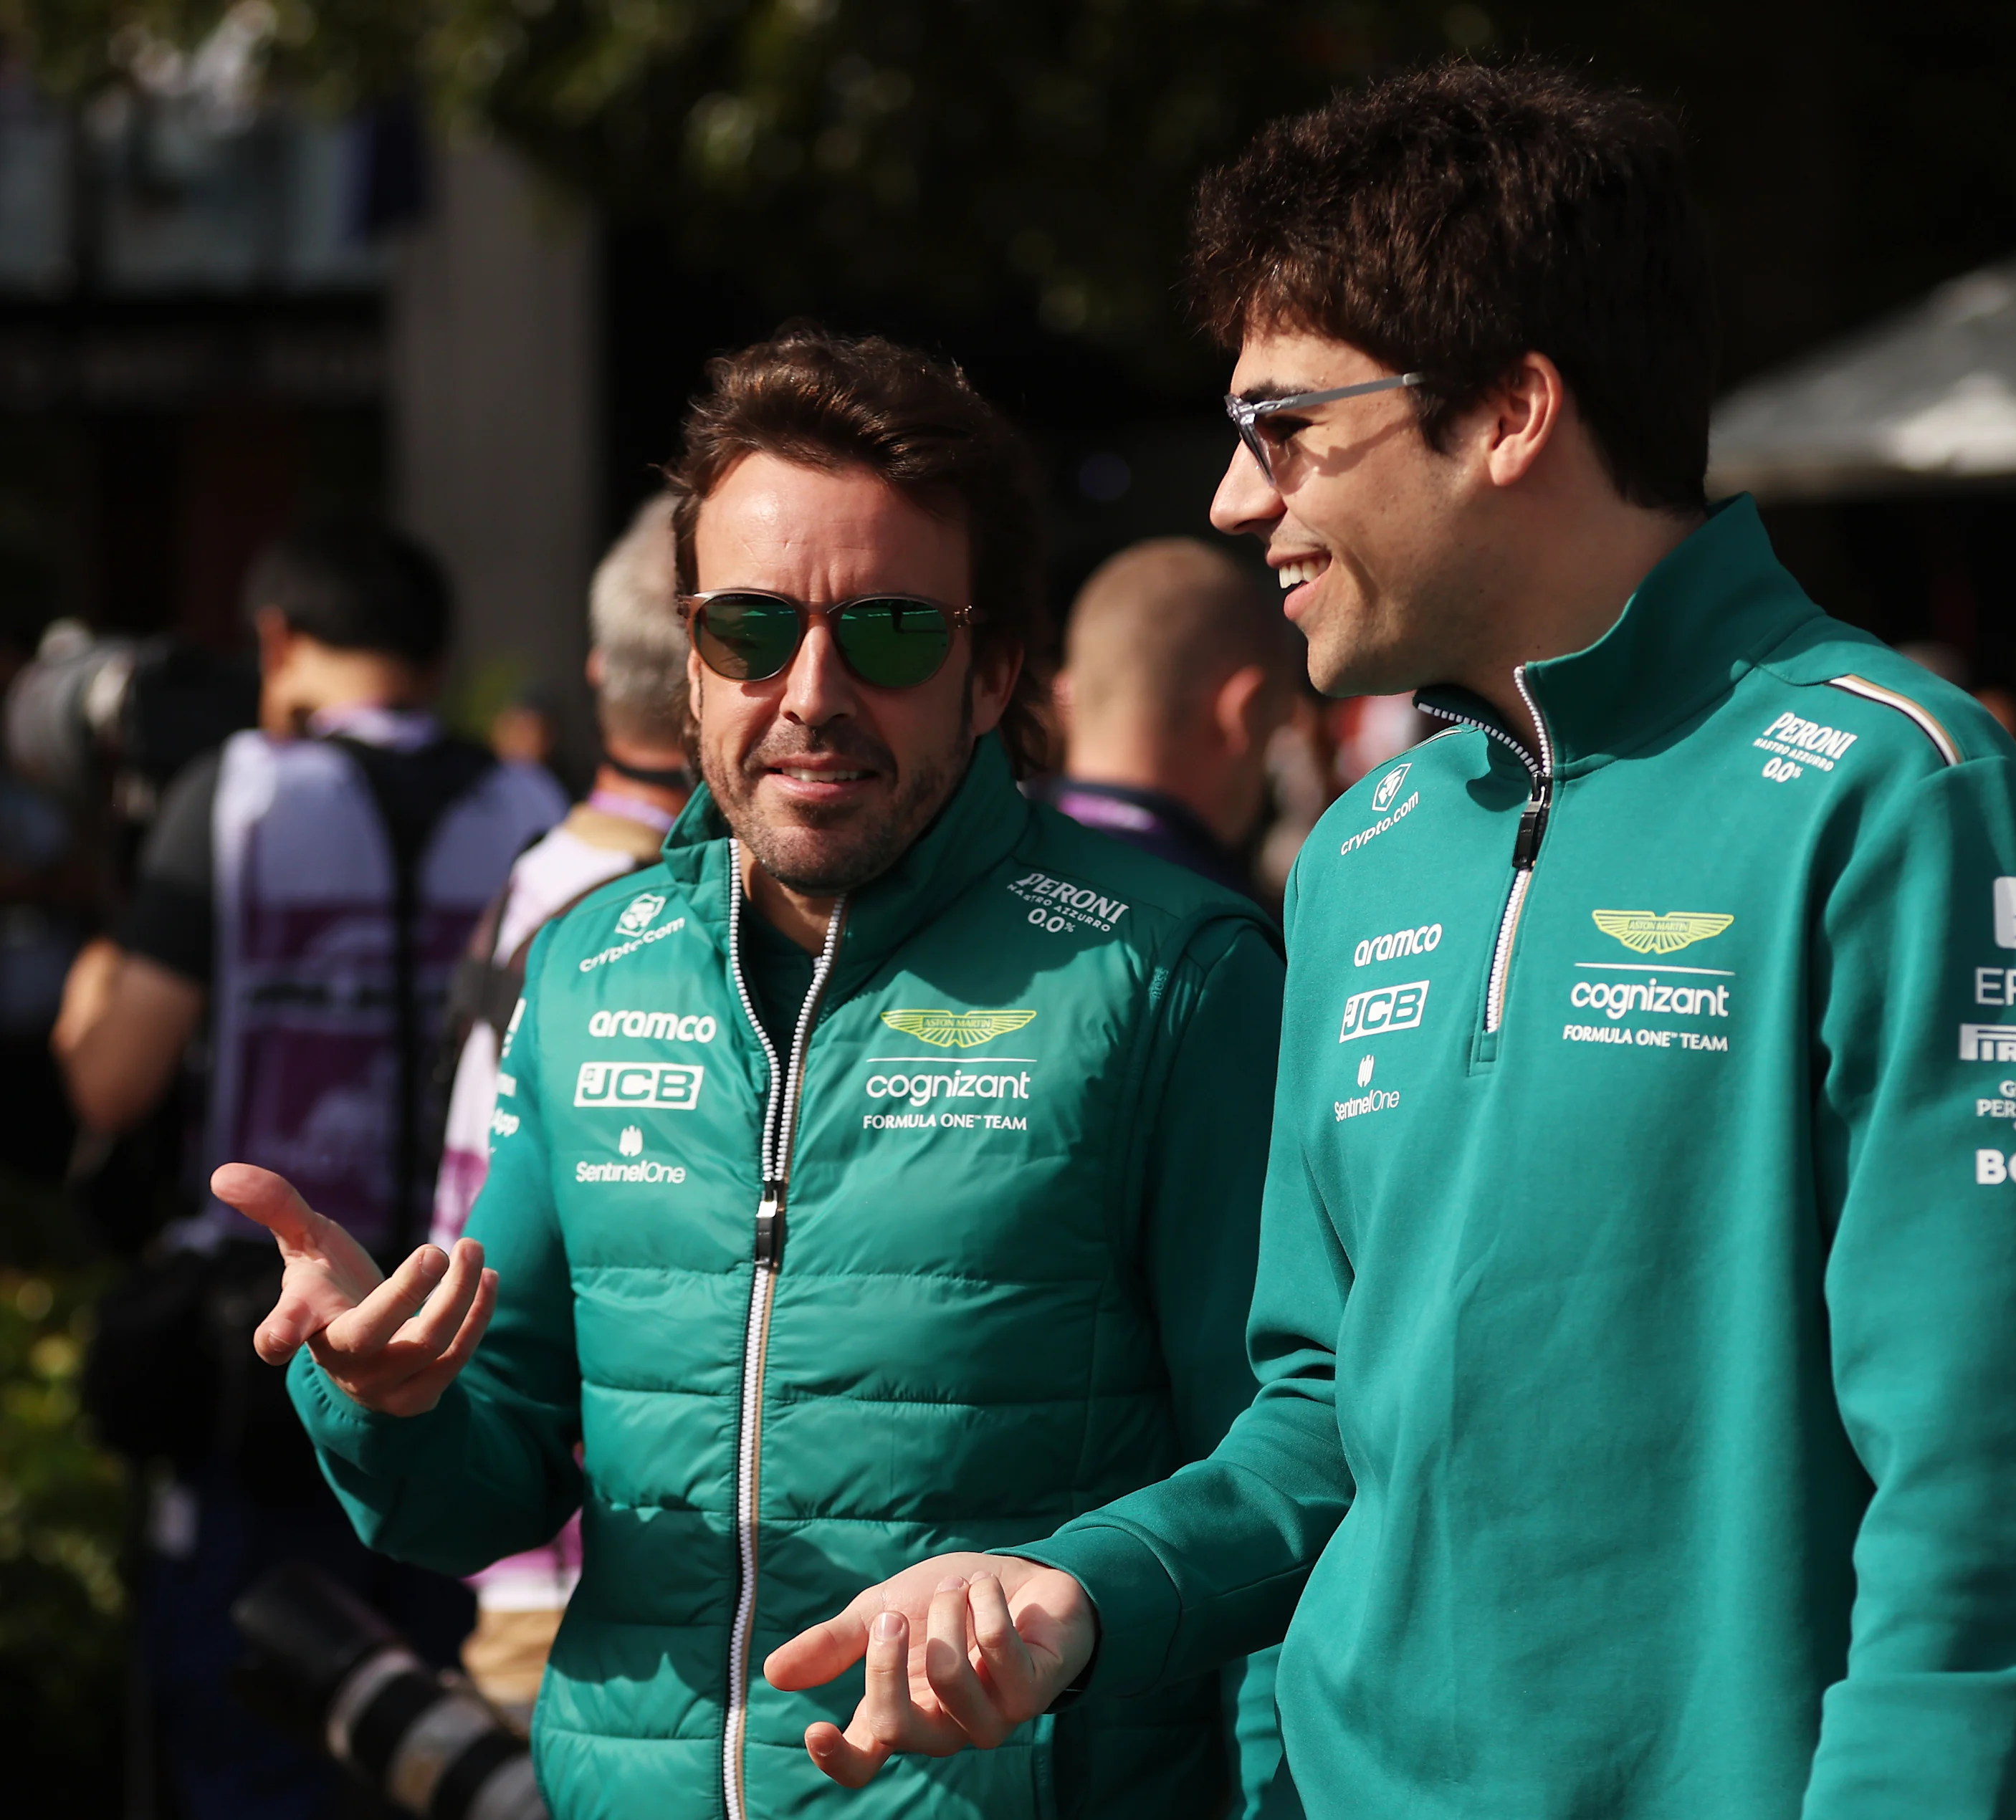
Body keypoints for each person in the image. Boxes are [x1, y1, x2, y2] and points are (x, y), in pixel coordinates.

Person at [772, 62, 2016, 1820]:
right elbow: (1320, 1419)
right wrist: (1076, 1589)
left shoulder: (1895, 794)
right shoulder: (1365, 849)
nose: (1238, 503)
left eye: (1284, 428)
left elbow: (1973, 1495)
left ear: (1507, 411)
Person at [221, 327, 1286, 1819]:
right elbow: (491, 1482)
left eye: (893, 633)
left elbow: (1295, 1460)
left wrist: (1072, 1595)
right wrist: (381, 1398)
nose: (809, 692)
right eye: (750, 630)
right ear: (690, 661)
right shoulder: (591, 966)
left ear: (992, 669)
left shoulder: (1172, 973)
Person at [51, 522, 564, 1820]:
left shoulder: (230, 793)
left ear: (276, 641)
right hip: (456, 1342)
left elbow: (110, 1079)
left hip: (266, 1344)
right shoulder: (529, 811)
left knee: (249, 1725)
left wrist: (101, 953)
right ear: (439, 663)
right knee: (431, 1750)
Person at [425, 492, 693, 1722]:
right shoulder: (677, 920)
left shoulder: (532, 877)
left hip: (509, 1530)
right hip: (627, 1574)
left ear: (597, 672)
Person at [1031, 537, 1299, 899]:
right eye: (1273, 731)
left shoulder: (971, 868)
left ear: (1065, 695)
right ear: (1244, 715)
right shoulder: (1220, 933)